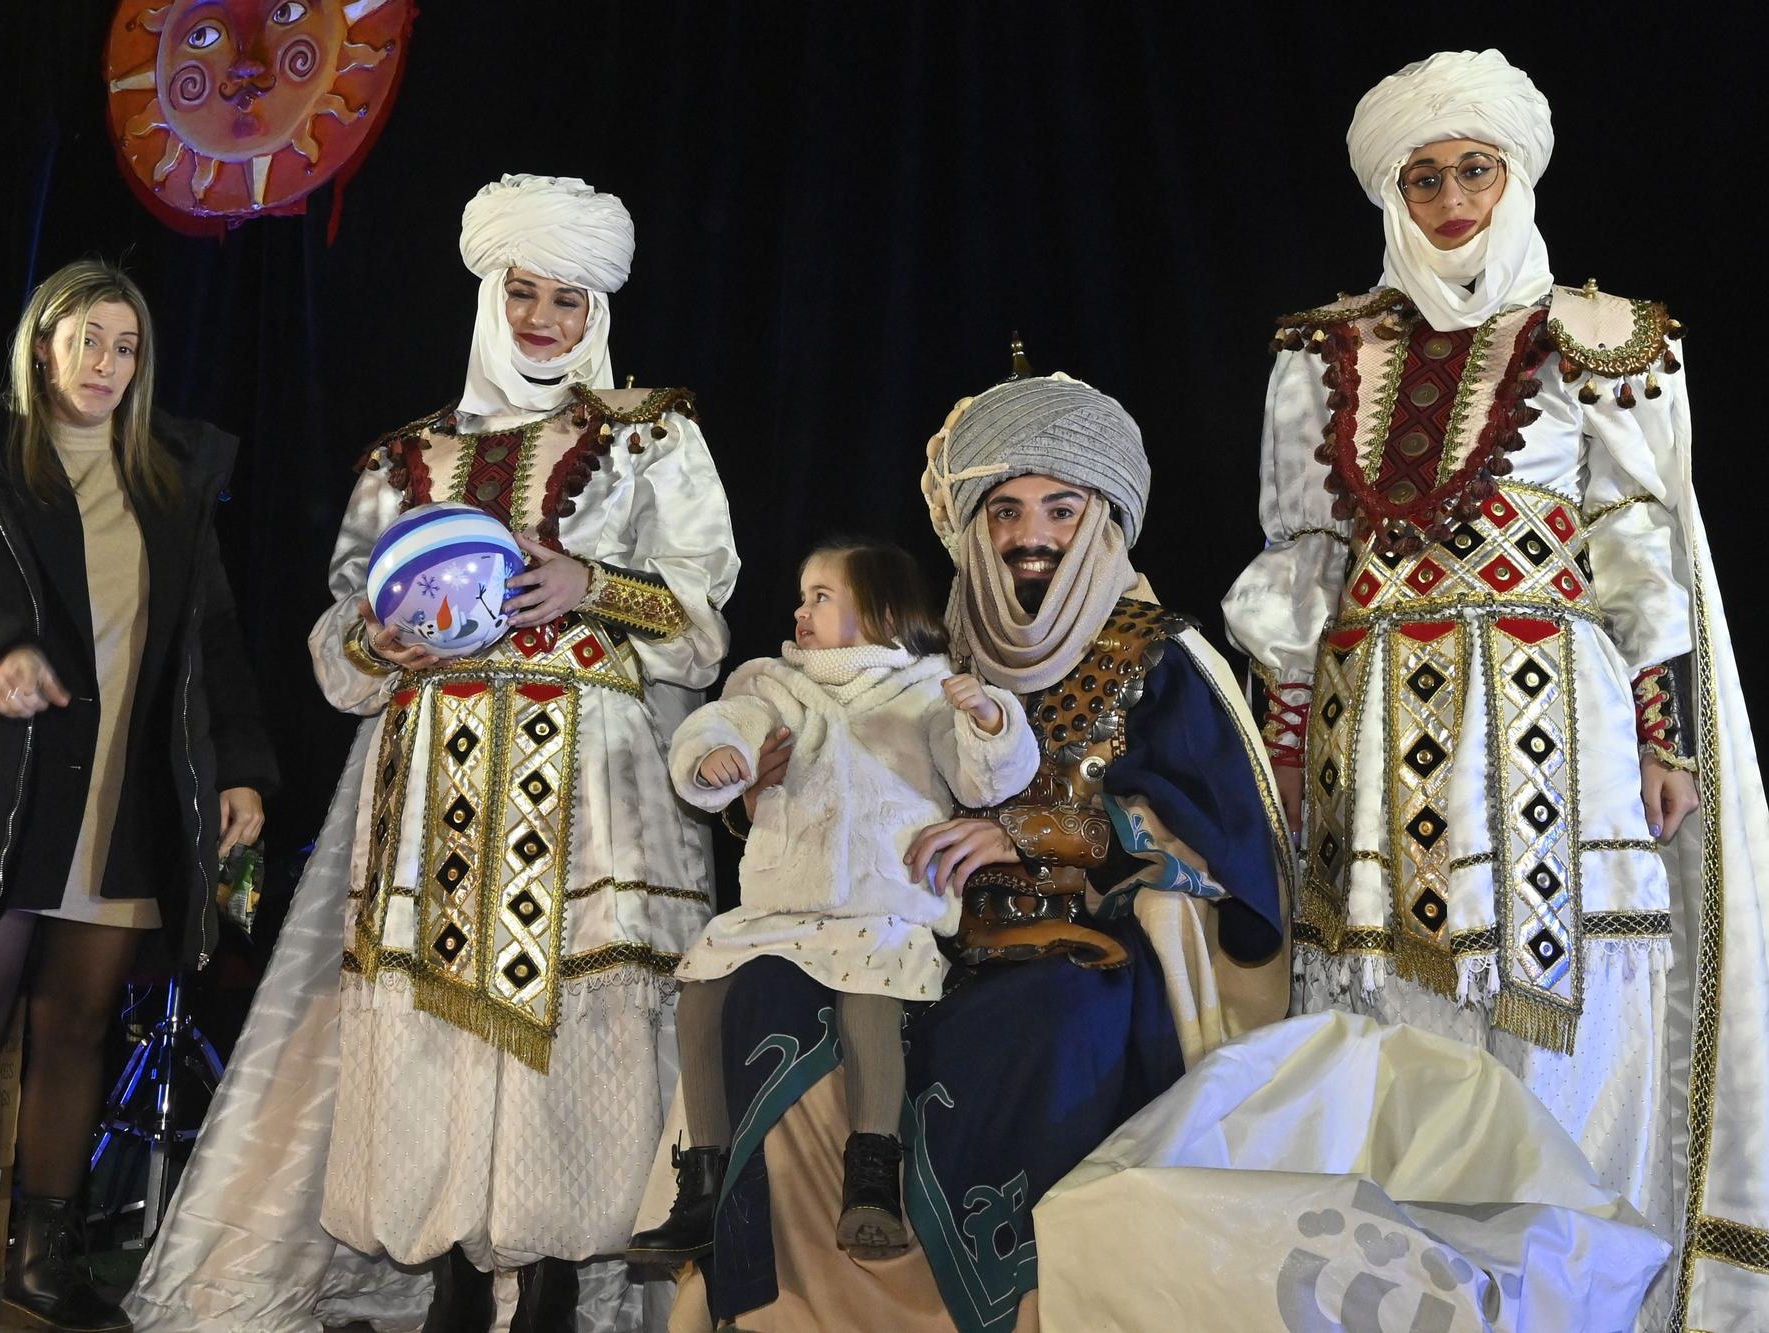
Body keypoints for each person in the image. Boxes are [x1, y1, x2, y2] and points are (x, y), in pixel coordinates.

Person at [126, 174, 738, 1333]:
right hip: (432, 781)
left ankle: (556, 1284)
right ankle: (457, 1277)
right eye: (523, 292)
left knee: (577, 1026)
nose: (542, 317)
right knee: (436, 1024)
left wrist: (593, 586)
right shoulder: (404, 458)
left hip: (590, 789)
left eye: (565, 298)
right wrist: (382, 634)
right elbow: (339, 642)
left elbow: (705, 617)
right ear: (489, 294)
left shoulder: (652, 436)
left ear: (594, 310)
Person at [1221, 48, 1769, 1332]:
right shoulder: (1325, 349)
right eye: (1423, 176)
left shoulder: (1602, 335)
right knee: (1383, 1001)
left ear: (1513, 175)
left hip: (1550, 718)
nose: (1451, 197)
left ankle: (1577, 1291)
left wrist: (1661, 735)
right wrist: (1287, 739)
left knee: (1565, 990)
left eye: (1472, 169)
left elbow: (1638, 542)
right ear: (1389, 195)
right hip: (1374, 716)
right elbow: (1298, 557)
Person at [674, 369, 1288, 1333]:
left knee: (1039, 1029)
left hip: (1078, 948)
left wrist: (1031, 831)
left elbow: (1227, 852)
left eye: (1058, 506)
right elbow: (846, 785)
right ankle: (792, 1306)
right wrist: (762, 794)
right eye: (1002, 509)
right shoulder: (932, 649)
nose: (1027, 533)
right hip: (906, 939)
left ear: (1104, 517)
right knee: (763, 995)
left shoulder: (1159, 654)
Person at [0, 259, 277, 1333]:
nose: (108, 364)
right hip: (1, 791)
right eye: (89, 339)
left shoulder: (170, 477)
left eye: (127, 346)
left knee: (79, 1023)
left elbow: (211, 640)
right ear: (43, 344)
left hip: (123, 795)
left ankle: (45, 1261)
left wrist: (239, 768)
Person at [630, 540, 1037, 1268]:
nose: (800, 609)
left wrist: (988, 721)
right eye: (803, 594)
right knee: (701, 992)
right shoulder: (775, 681)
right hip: (783, 904)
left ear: (880, 608)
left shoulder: (927, 687)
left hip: (884, 902)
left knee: (870, 991)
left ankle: (873, 1170)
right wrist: (715, 757)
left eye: (821, 595)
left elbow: (982, 780)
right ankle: (703, 1180)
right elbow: (727, 723)